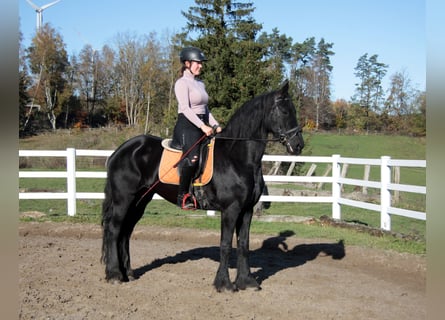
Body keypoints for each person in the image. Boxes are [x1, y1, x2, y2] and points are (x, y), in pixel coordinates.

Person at [171, 47, 222, 209]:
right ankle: (182, 195)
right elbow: (185, 109)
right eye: (197, 63)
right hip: (186, 125)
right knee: (193, 159)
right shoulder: (181, 83)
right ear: (187, 63)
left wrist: (215, 125)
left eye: (201, 63)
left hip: (201, 124)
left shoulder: (200, 84)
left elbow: (205, 110)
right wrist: (202, 126)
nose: (200, 66)